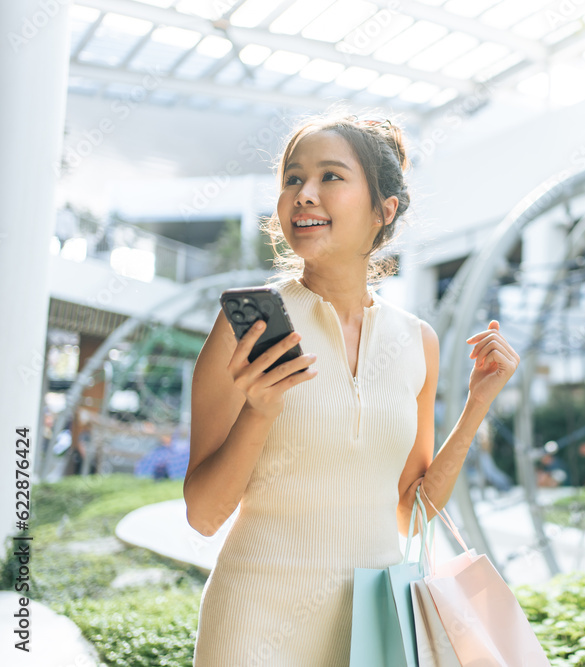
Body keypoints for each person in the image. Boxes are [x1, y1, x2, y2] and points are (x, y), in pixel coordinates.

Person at [183, 108, 520, 667]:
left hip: (373, 626)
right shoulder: (248, 326)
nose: (304, 194)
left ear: (382, 210)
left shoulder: (419, 342)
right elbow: (204, 515)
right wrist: (260, 410)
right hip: (254, 620)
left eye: (330, 177)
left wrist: (477, 404)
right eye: (293, 178)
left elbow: (412, 508)